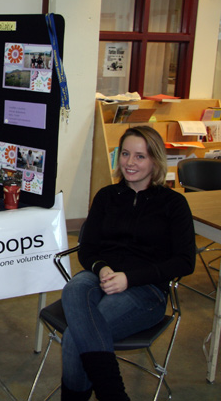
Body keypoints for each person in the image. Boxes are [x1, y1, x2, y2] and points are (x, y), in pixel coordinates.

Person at [60, 126, 195, 400]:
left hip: (145, 289)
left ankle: (112, 394)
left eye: (140, 156)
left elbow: (184, 261)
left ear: (155, 161)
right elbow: (87, 249)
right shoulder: (106, 196)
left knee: (75, 338)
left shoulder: (174, 204)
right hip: (102, 277)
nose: (130, 163)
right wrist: (102, 268)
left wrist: (129, 278)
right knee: (74, 287)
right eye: (125, 154)